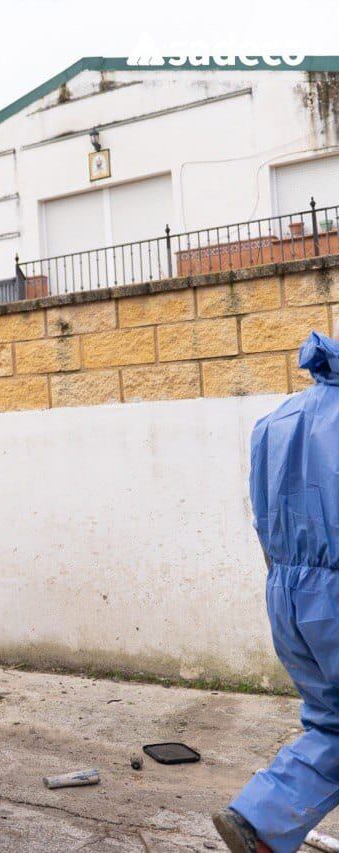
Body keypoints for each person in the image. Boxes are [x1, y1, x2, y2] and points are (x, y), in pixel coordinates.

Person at [215, 331, 339, 853]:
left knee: (333, 724)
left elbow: (263, 514)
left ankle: (260, 820)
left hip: (289, 596)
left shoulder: (274, 422)